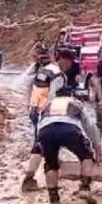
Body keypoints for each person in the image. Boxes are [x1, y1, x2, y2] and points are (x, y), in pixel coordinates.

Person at [21, 47, 81, 192]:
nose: (70, 66)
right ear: (64, 60)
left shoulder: (45, 70)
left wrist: (30, 105)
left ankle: (50, 172)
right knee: (42, 144)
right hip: (46, 112)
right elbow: (53, 97)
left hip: (34, 109)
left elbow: (29, 87)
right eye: (70, 62)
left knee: (43, 142)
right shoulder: (58, 75)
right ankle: (29, 178)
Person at [36, 87, 102, 204]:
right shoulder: (76, 103)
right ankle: (85, 188)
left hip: (45, 132)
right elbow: (91, 127)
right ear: (71, 95)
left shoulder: (48, 105)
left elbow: (39, 127)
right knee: (86, 156)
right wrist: (98, 151)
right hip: (69, 129)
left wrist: (44, 149)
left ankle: (54, 200)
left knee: (50, 164)